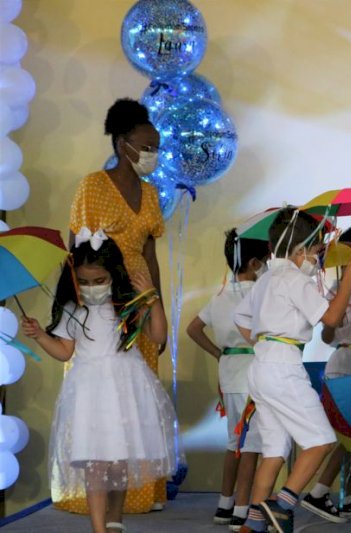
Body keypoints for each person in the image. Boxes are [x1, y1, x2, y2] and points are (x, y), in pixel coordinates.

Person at [20, 233, 179, 533]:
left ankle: (115, 518)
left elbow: (158, 335)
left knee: (119, 459)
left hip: (125, 387)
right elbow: (64, 351)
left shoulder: (127, 304)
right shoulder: (73, 309)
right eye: (84, 282)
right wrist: (41, 335)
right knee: (95, 461)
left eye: (99, 280)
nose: (92, 289)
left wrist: (151, 298)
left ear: (113, 275)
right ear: (73, 279)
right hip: (89, 390)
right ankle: (98, 529)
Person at [233, 208, 351, 533]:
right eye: (318, 251)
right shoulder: (293, 278)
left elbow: (241, 318)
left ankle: (252, 526)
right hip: (282, 366)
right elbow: (331, 319)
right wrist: (347, 280)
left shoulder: (265, 278)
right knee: (320, 439)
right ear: (300, 250)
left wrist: (267, 340)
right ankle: (283, 505)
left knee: (274, 450)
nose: (318, 259)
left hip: (263, 364)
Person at [68, 98, 167, 514]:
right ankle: (95, 502)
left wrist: (156, 303)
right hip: (102, 304)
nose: (153, 154)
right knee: (103, 406)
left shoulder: (149, 193)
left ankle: (136, 498)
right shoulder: (93, 184)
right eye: (147, 145)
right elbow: (78, 246)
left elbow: (150, 254)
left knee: (134, 408)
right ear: (123, 143)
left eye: (156, 146)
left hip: (139, 302)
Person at [186, 229, 269, 531]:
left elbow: (193, 329)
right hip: (253, 372)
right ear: (254, 262)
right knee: (251, 444)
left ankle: (225, 504)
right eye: (268, 259)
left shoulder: (221, 296)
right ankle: (243, 509)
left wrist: (219, 353)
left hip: (230, 371)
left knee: (235, 441)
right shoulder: (258, 295)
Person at [301, 227, 351, 523]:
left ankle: (349, 496)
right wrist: (337, 316)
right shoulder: (338, 293)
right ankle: (319, 491)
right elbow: (326, 335)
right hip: (346, 366)